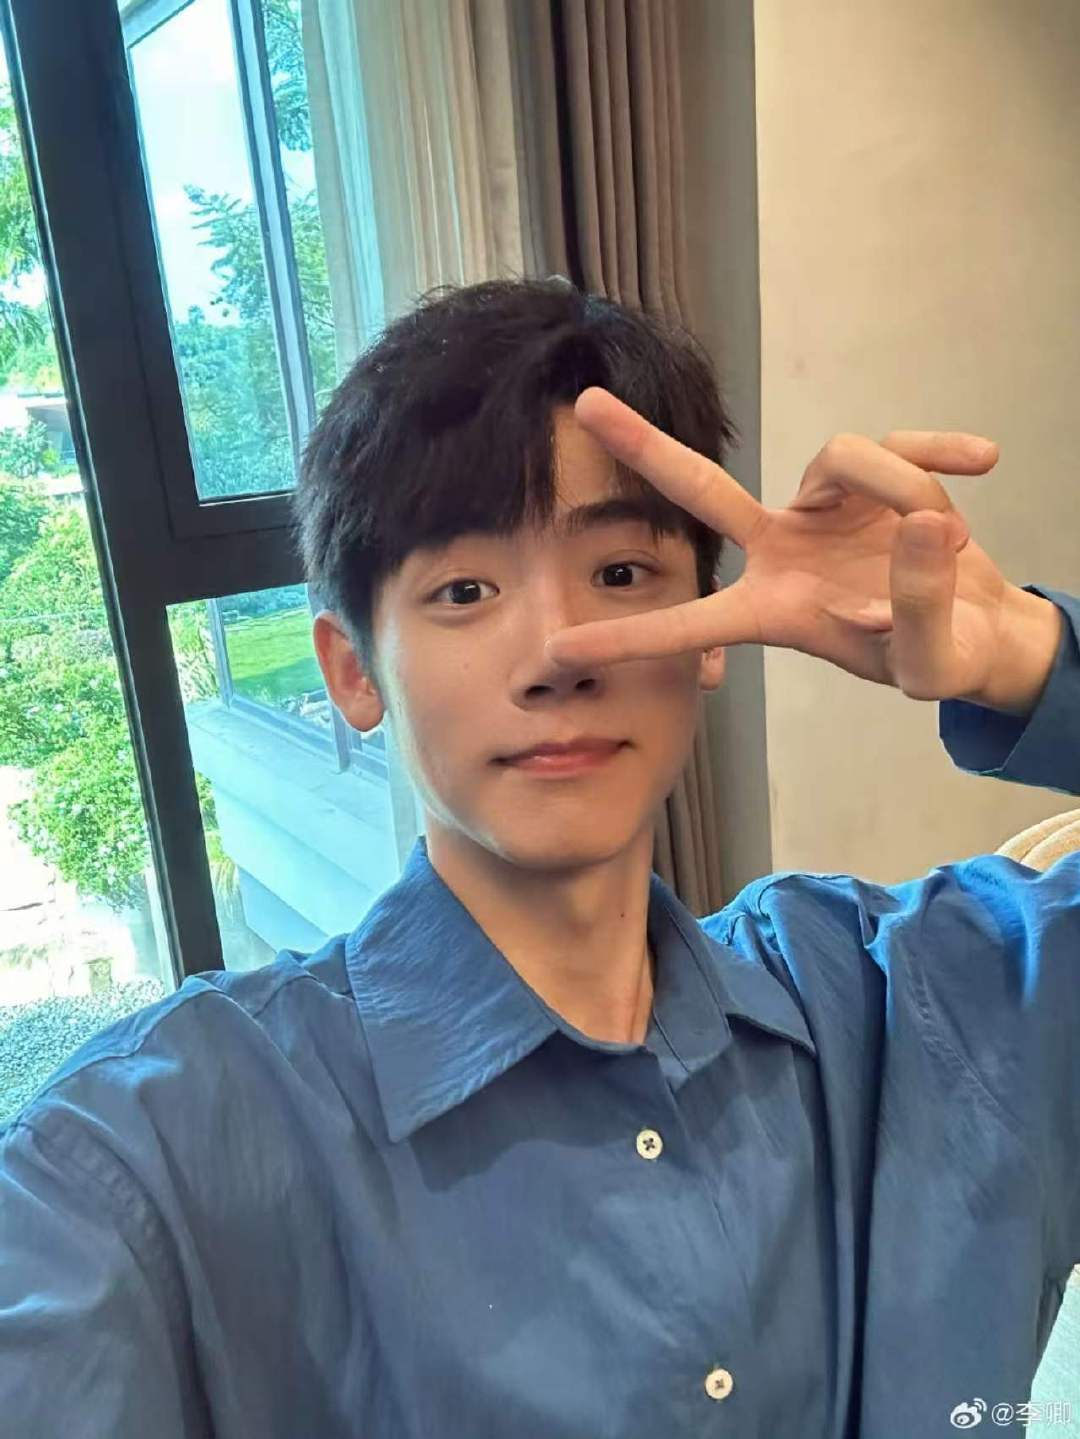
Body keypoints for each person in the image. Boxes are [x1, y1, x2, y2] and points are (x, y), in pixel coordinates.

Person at [0, 276, 1076, 1438]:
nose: (560, 653)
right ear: (354, 669)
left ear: (714, 631)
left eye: (621, 574)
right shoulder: (152, 1157)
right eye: (465, 590)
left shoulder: (921, 1000)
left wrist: (1026, 654)